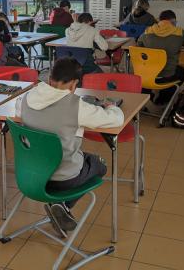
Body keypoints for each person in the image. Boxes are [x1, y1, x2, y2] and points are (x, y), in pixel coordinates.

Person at [16, 57, 124, 236]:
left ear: (49, 78)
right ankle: (62, 204)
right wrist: (112, 107)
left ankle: (60, 207)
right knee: (100, 165)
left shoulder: (27, 98)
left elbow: (18, 111)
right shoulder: (76, 106)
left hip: (32, 173)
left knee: (77, 155)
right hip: (63, 179)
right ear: (74, 84)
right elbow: (115, 120)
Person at [137, 10, 184, 104]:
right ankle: (163, 99)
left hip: (148, 74)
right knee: (182, 72)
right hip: (168, 75)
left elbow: (139, 45)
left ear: (159, 20)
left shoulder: (148, 31)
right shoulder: (179, 32)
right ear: (173, 21)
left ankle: (146, 97)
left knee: (149, 71)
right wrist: (181, 44)